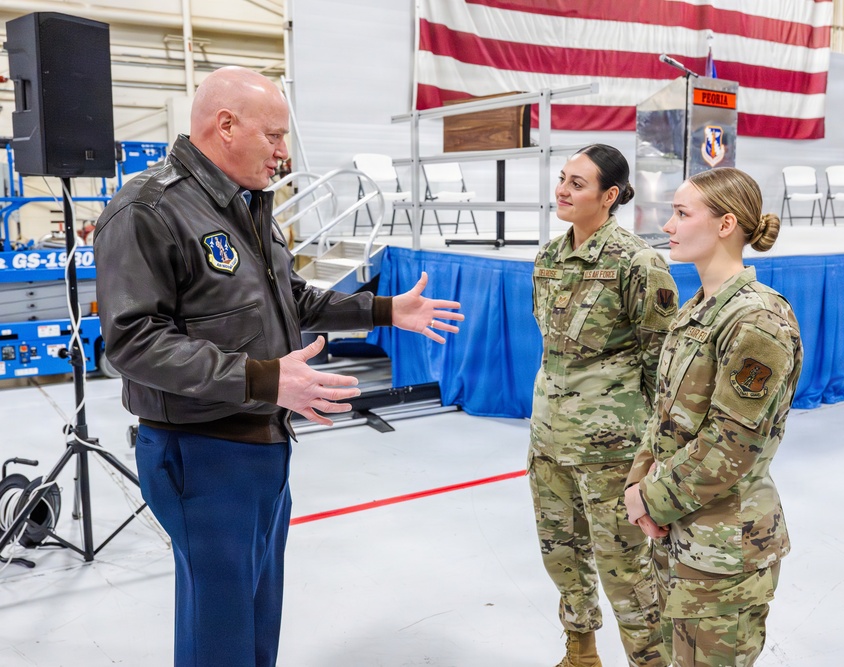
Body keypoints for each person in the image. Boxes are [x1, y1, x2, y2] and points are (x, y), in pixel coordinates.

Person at [93, 66, 463, 667]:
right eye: (274, 136)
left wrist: (386, 308)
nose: (283, 153)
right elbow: (133, 342)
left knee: (257, 617)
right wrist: (265, 379)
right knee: (219, 630)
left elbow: (292, 297)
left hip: (261, 441)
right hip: (202, 449)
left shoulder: (246, 205)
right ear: (226, 125)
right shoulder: (149, 209)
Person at [624, 167, 803, 667]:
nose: (669, 225)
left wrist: (651, 501)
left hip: (724, 550)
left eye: (682, 213)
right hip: (678, 533)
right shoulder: (696, 309)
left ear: (726, 225)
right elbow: (663, 415)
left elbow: (732, 446)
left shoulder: (756, 321)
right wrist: (638, 487)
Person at [529, 144, 678, 667]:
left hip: (612, 453)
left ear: (609, 195)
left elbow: (663, 365)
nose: (562, 191)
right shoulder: (548, 258)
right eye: (562, 179)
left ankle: (650, 661)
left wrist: (653, 456)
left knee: (627, 572)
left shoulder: (638, 262)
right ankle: (581, 652)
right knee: (562, 558)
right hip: (549, 442)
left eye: (577, 183)